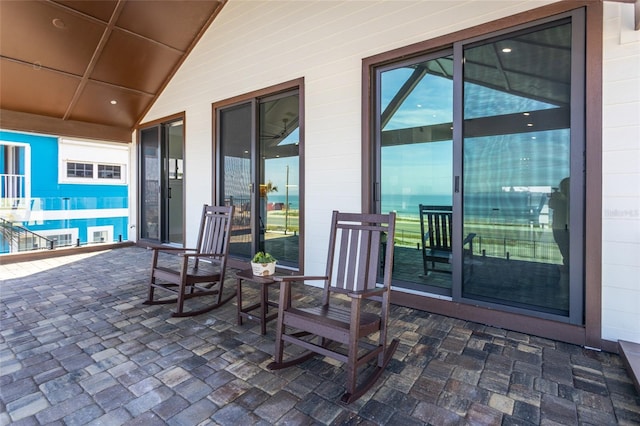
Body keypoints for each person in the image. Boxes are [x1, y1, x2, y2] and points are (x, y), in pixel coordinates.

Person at [549, 177, 570, 270]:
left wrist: (563, 198)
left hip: (564, 228)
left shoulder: (572, 198)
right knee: (565, 251)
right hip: (559, 228)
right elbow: (551, 205)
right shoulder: (560, 197)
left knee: (568, 252)